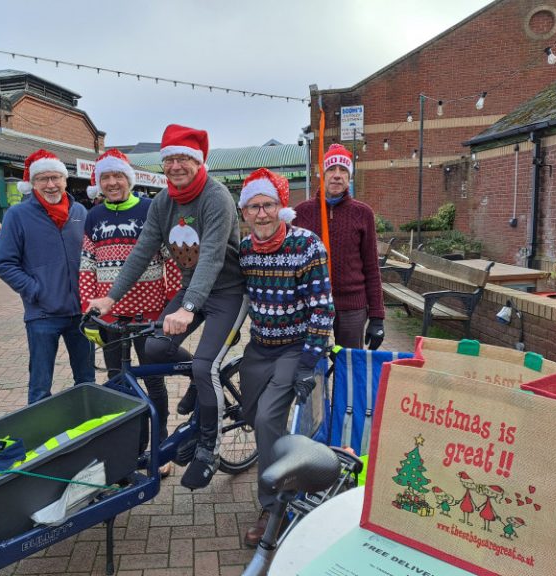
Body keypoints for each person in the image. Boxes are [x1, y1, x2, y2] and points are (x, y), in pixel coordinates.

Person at [87, 124, 245, 490]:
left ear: (197, 161)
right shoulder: (163, 202)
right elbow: (142, 251)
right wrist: (110, 297)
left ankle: (209, 447)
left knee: (205, 364)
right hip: (193, 289)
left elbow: (210, 257)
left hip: (228, 292)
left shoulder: (215, 197)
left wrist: (187, 307)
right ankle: (203, 380)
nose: (175, 166)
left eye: (183, 159)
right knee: (157, 347)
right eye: (169, 159)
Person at [237, 168, 335, 547]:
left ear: (282, 208)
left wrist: (308, 363)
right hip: (259, 346)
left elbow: (322, 309)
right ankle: (281, 456)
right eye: (253, 207)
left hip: (294, 347)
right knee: (249, 413)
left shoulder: (306, 246)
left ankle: (275, 506)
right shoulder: (245, 249)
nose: (261, 214)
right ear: (244, 212)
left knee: (266, 419)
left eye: (268, 205)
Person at [78, 148, 181, 476]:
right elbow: (87, 265)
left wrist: (171, 307)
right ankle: (125, 451)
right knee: (118, 384)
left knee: (154, 381)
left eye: (118, 176)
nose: (112, 183)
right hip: (109, 318)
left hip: (149, 315)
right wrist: (89, 310)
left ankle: (160, 448)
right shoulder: (93, 217)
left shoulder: (151, 209)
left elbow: (171, 260)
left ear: (129, 179)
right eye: (105, 177)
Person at [0, 149, 95, 404]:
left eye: (55, 178)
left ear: (65, 180)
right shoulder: (17, 216)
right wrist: (35, 290)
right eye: (43, 179)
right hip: (42, 315)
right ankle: (38, 437)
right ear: (33, 183)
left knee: (87, 381)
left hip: (80, 313)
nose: (50, 185)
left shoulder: (81, 213)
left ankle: (89, 432)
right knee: (40, 385)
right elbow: (6, 264)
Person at [293, 143, 385, 350]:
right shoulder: (301, 213)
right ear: (322, 174)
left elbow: (371, 267)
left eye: (343, 170)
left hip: (352, 306)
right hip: (311, 305)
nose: (337, 175)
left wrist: (377, 316)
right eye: (331, 169)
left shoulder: (363, 213)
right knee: (312, 366)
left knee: (349, 366)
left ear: (349, 176)